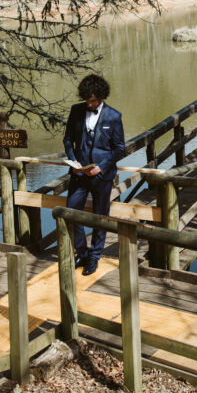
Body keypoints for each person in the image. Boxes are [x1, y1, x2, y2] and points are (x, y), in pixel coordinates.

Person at [63, 74, 126, 276]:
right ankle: (82, 252)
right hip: (79, 175)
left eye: (93, 100)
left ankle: (95, 256)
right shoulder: (76, 111)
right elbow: (67, 140)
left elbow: (119, 149)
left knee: (100, 216)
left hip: (101, 176)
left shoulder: (114, 116)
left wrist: (101, 167)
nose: (89, 104)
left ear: (100, 96)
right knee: (72, 212)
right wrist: (74, 162)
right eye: (87, 100)